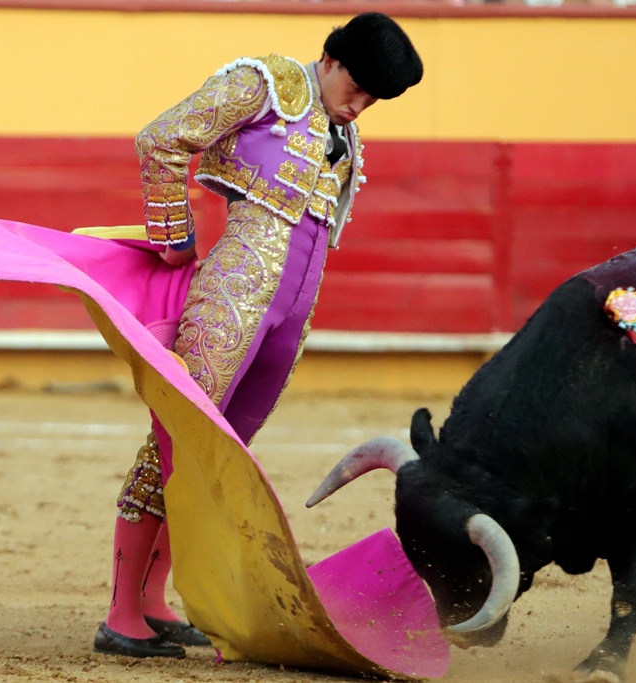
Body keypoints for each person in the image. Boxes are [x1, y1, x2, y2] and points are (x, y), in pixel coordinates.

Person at [92, 12, 423, 660]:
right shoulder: (264, 84)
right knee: (177, 443)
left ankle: (157, 601)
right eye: (356, 88)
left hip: (290, 317)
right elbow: (160, 138)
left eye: (373, 100)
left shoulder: (344, 138)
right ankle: (122, 611)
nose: (360, 107)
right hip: (232, 300)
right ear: (329, 58)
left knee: (221, 456)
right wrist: (172, 243)